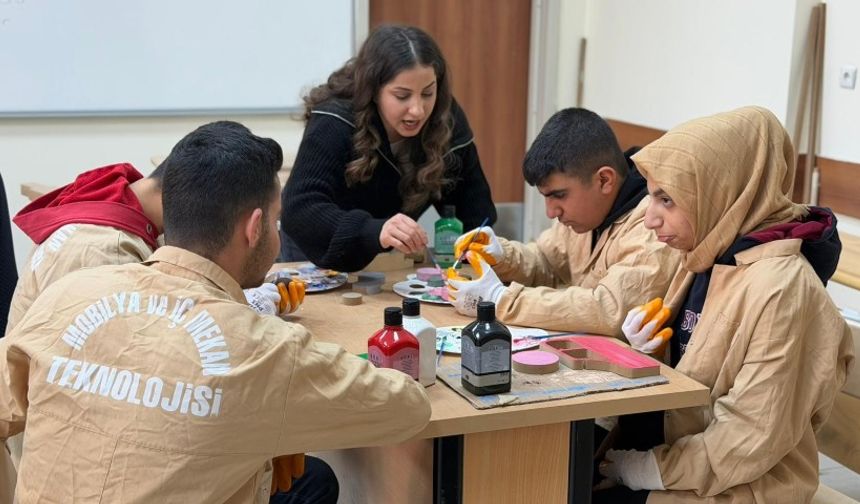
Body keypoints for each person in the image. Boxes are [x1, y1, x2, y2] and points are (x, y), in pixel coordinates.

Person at [0, 121, 431, 502]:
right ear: (255, 226)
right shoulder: (266, 350)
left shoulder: (71, 293)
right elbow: (408, 408)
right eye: (277, 222)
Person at [594, 107, 854, 503]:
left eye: (667, 200)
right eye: (651, 197)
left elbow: (750, 434)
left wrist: (652, 470)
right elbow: (697, 370)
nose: (649, 219)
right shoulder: (707, 254)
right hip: (683, 457)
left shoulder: (784, 288)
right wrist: (644, 354)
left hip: (742, 484)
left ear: (724, 193)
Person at [281, 24, 497, 272]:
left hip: (383, 260)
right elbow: (300, 210)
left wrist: (477, 254)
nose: (417, 110)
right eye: (402, 96)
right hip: (314, 253)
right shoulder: (334, 120)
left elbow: (476, 211)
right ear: (373, 91)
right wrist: (374, 230)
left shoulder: (446, 118)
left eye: (428, 93)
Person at [447, 108, 680, 335]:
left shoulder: (654, 223)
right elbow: (547, 262)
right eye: (546, 197)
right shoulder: (587, 212)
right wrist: (502, 256)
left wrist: (500, 299)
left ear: (604, 180)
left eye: (558, 195)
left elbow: (608, 310)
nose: (551, 212)